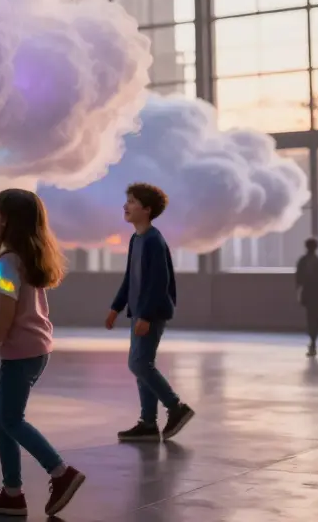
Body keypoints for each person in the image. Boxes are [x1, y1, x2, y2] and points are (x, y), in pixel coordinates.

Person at [0, 189, 85, 518]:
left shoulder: (7, 263)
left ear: (7, 219)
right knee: (1, 420)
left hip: (20, 353)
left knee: (10, 419)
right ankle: (12, 494)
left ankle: (60, 473)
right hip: (35, 349)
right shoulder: (24, 256)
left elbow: (4, 317)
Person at [105, 182, 194, 443]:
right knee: (142, 365)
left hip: (151, 314)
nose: (126, 206)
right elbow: (130, 279)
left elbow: (158, 282)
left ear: (147, 209)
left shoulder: (154, 241)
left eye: (132, 201)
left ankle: (176, 408)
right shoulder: (137, 239)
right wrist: (116, 307)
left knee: (139, 363)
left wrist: (145, 315)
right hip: (139, 313)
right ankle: (147, 423)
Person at [295, 237, 318, 358]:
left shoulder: (302, 261)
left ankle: (312, 340)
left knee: (310, 316)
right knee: (317, 316)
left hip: (307, 292)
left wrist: (299, 292)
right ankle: (314, 339)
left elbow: (298, 279)